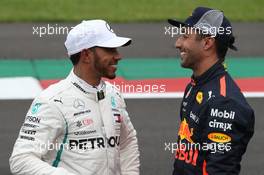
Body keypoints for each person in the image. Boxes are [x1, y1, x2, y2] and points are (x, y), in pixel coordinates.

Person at [9, 20, 140, 175]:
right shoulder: (52, 100)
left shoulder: (113, 94)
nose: (118, 56)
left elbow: (127, 141)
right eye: (109, 50)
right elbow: (21, 159)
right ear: (86, 55)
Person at [168, 7, 255, 175]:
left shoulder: (224, 103)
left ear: (207, 43)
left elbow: (219, 170)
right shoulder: (195, 85)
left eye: (186, 36)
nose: (178, 43)